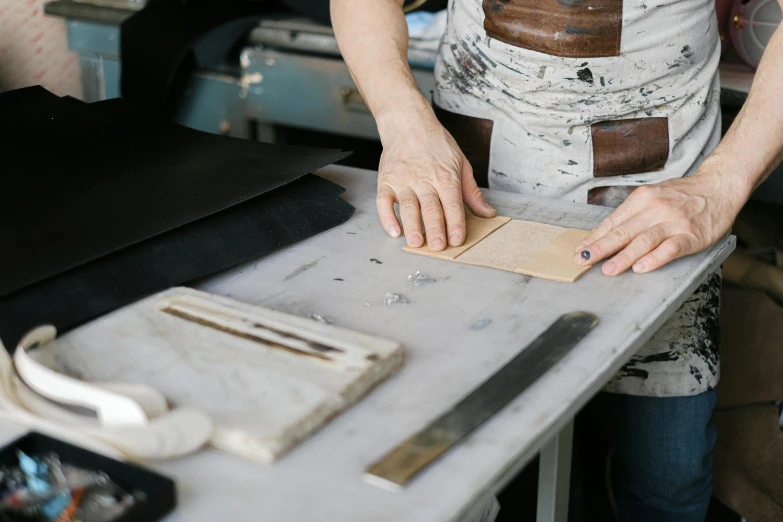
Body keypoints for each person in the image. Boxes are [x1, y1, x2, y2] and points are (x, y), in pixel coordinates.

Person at [331, 1, 781, 520]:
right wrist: (404, 124)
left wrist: (721, 185)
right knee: (499, 470)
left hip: (659, 210)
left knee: (669, 477)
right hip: (476, 194)